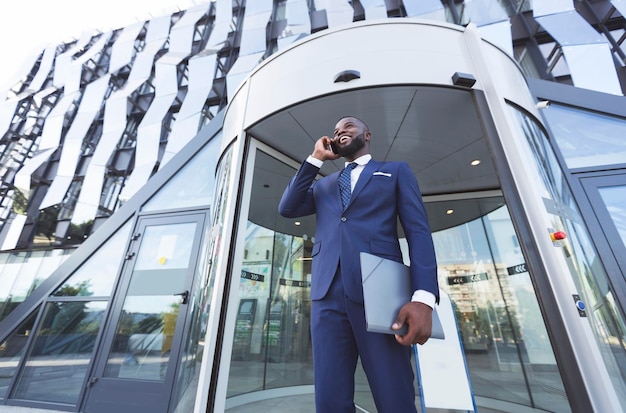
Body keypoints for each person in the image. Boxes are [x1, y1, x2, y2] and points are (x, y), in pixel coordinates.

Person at [278, 116, 439, 412]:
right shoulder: (323, 185)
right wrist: (315, 159)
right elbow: (287, 207)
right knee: (329, 399)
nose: (340, 131)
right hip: (326, 295)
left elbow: (418, 233)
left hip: (379, 293)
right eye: (336, 129)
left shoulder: (394, 172)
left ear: (367, 134)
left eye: (349, 126)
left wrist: (424, 298)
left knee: (394, 395)